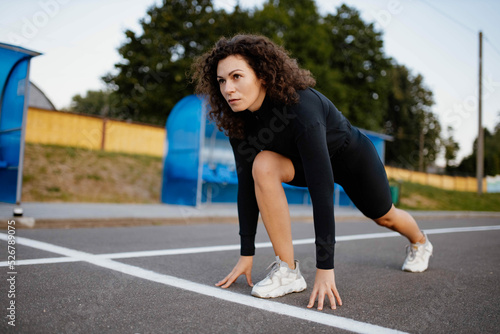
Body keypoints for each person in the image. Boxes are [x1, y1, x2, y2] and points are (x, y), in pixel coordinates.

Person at [191, 34, 433, 310]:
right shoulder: (238, 121)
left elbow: (322, 189)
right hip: (301, 164)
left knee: (385, 217)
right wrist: (247, 253)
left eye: (236, 77)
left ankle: (420, 242)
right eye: (222, 81)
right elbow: (247, 184)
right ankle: (288, 271)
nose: (228, 88)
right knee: (262, 165)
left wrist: (325, 268)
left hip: (350, 159)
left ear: (263, 76)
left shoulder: (300, 108)